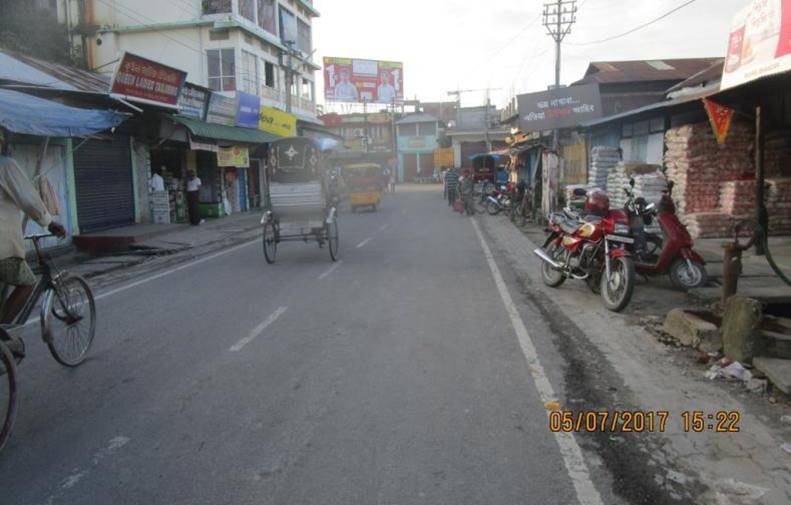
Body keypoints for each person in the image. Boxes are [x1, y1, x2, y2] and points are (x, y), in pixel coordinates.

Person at [0, 128, 66, 331]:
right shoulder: (6, 165)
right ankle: (3, 335)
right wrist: (49, 222)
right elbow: (28, 200)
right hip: (3, 246)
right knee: (27, 283)